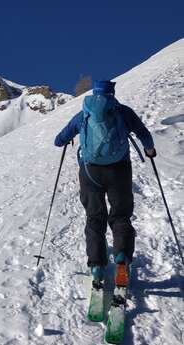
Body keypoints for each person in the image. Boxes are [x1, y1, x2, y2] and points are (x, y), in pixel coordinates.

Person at [54, 80, 156, 286]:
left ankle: (97, 266)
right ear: (112, 93)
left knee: (94, 217)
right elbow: (144, 134)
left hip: (90, 172)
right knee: (120, 216)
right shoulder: (122, 111)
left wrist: (68, 139)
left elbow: (59, 140)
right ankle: (122, 258)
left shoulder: (84, 114)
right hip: (119, 170)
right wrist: (149, 150)